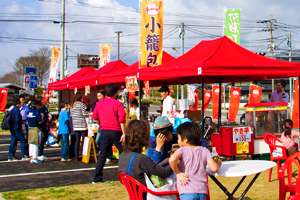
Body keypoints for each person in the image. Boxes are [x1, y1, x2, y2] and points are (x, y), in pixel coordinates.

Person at [169, 122, 222, 200]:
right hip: (202, 191)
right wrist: (218, 164)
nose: (177, 141)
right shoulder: (205, 150)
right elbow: (214, 168)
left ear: (185, 139)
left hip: (186, 190)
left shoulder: (181, 150)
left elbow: (172, 160)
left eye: (178, 138)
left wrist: (178, 172)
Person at [118, 119, 173, 187]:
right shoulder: (140, 159)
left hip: (134, 193)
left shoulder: (123, 155)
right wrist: (175, 162)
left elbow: (151, 168)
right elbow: (165, 173)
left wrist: (163, 162)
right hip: (147, 194)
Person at [92, 83, 126, 183]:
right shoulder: (118, 104)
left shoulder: (99, 103)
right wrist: (124, 133)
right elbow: (122, 120)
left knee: (103, 155)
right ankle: (124, 175)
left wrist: (101, 124)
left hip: (104, 130)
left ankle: (96, 178)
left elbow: (95, 117)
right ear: (115, 93)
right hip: (116, 130)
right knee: (124, 153)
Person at [70, 92, 88, 161]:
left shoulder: (72, 105)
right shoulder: (81, 104)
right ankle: (84, 154)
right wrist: (88, 114)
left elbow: (71, 115)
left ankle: (76, 155)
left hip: (75, 125)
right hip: (82, 125)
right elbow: (84, 114)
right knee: (84, 140)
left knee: (77, 141)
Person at [36, 96, 49, 161]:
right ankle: (40, 154)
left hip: (46, 125)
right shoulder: (38, 109)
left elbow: (47, 114)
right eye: (43, 100)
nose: (44, 101)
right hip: (41, 126)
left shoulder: (44, 108)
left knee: (44, 140)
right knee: (41, 140)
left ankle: (41, 153)